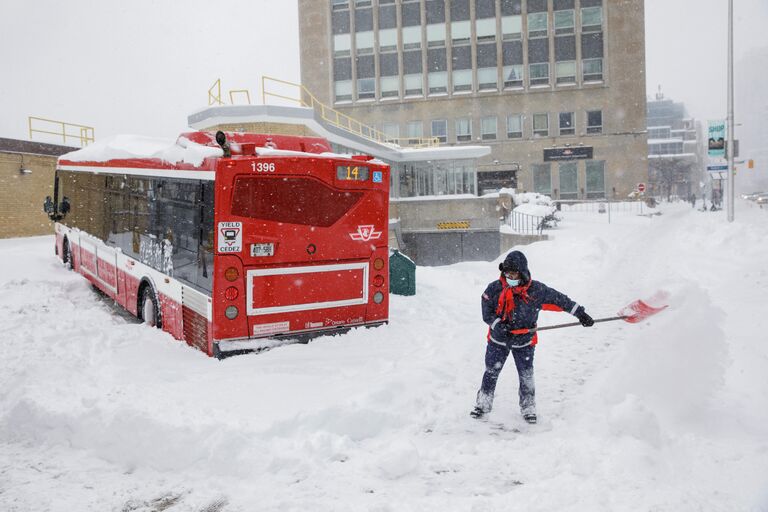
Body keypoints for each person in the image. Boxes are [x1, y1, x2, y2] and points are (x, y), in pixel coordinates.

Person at [471, 250, 594, 424]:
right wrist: (498, 325)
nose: (509, 276)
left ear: (522, 273)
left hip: (524, 342)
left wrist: (580, 314)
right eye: (507, 273)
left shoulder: (536, 291)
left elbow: (560, 300)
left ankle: (528, 406)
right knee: (491, 371)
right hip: (498, 341)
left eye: (513, 273)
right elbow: (486, 311)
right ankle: (483, 404)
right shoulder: (495, 288)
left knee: (526, 374)